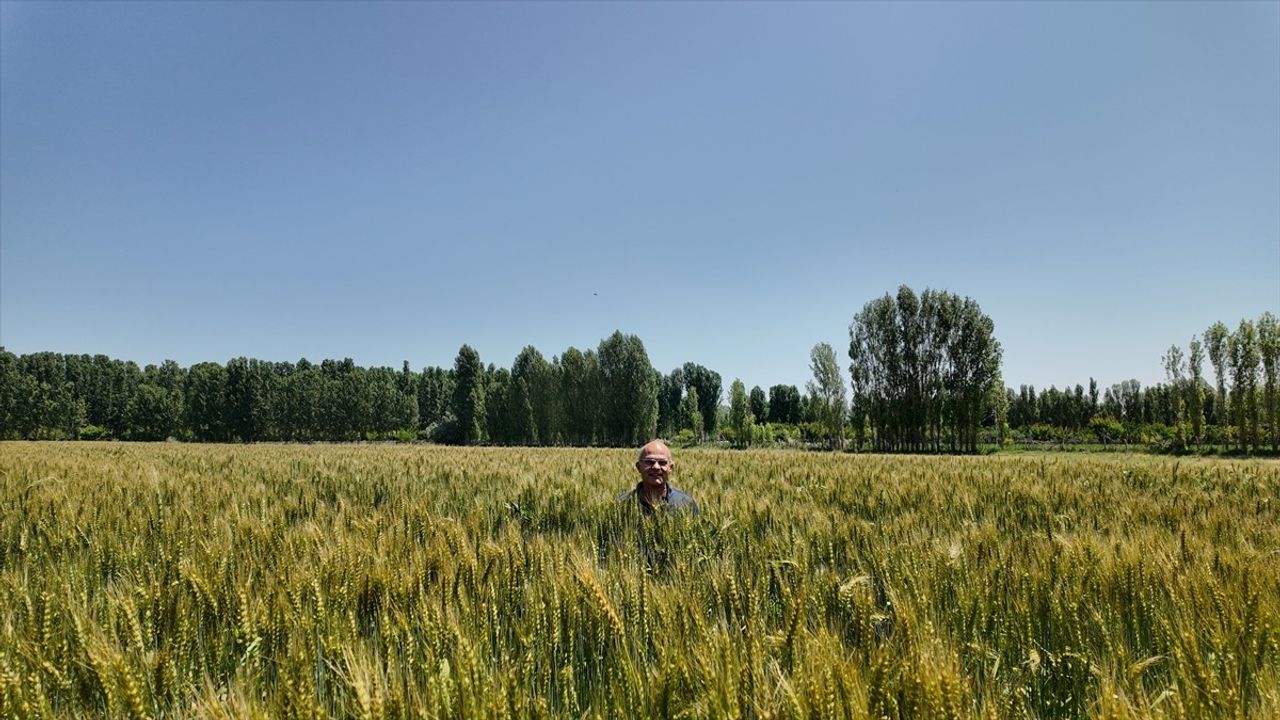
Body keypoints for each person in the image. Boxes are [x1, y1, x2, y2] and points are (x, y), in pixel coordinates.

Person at [618, 439, 698, 515]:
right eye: (649, 462)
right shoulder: (622, 504)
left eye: (662, 462)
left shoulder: (686, 503)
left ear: (670, 468)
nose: (656, 467)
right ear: (639, 467)